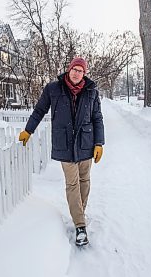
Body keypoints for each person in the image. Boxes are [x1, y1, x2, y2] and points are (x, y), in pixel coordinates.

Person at [18, 57, 105, 246]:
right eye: (74, 69)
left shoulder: (91, 91)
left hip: (85, 142)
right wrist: (28, 130)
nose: (76, 73)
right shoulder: (53, 88)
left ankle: (79, 211)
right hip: (65, 143)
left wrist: (99, 143)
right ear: (69, 69)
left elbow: (97, 117)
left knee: (84, 181)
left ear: (84, 73)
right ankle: (80, 226)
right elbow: (39, 110)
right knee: (72, 183)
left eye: (80, 70)